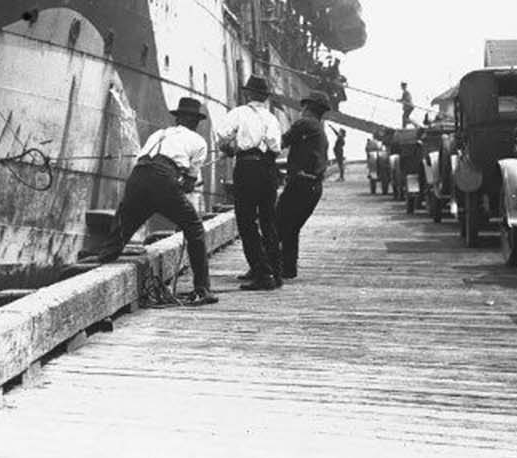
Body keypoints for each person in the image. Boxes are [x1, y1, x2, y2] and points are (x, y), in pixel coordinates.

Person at [80, 96, 219, 306]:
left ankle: (102, 259)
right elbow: (189, 182)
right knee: (195, 229)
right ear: (195, 122)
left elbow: (149, 164)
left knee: (125, 224)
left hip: (138, 175)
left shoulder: (158, 133)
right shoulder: (199, 142)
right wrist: (182, 185)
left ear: (177, 119)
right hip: (163, 177)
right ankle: (202, 289)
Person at [216, 74, 283, 290]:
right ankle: (275, 270)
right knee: (268, 219)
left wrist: (229, 148)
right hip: (269, 168)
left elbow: (223, 136)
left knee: (246, 220)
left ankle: (262, 273)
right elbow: (275, 146)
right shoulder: (272, 118)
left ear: (248, 94)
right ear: (264, 97)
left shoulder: (239, 113)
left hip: (247, 168)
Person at [276, 95, 330, 280]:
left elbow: (279, 143)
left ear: (307, 108)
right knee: (292, 227)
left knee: (278, 225)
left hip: (300, 185)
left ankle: (268, 268)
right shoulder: (320, 130)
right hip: (314, 187)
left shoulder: (305, 124)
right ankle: (288, 268)